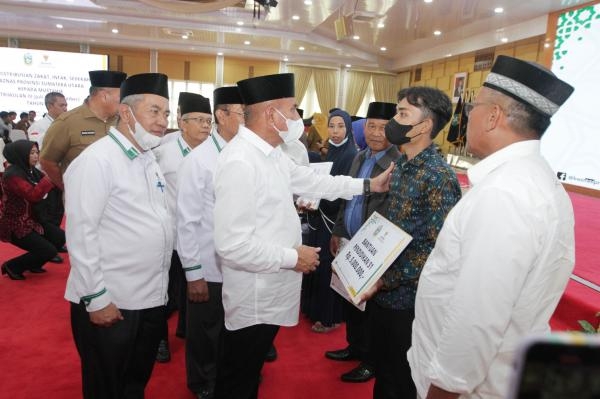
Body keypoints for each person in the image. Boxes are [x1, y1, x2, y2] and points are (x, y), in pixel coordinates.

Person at [212, 73, 394, 399]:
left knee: (248, 372)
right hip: (254, 293)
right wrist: (294, 257)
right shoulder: (240, 161)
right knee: (237, 376)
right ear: (272, 114)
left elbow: (316, 182)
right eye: (293, 110)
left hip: (269, 285)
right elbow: (232, 245)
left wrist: (369, 185)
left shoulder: (271, 154)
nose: (299, 118)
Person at [408, 56, 576, 399]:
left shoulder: (506, 194)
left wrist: (444, 390)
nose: (467, 115)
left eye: (473, 106)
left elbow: (477, 316)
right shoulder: (531, 178)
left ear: (494, 116)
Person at [64, 72, 173, 399]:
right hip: (112, 300)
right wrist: (96, 298)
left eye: (166, 113)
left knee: (134, 381)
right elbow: (81, 235)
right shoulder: (96, 160)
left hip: (150, 298)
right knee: (106, 386)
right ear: (126, 113)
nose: (162, 121)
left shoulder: (147, 157)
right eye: (154, 111)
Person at [360, 86, 462, 399]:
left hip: (409, 303)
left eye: (403, 114)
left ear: (425, 126)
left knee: (399, 381)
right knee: (383, 373)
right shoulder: (402, 166)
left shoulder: (439, 177)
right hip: (382, 294)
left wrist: (384, 280)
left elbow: (435, 250)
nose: (394, 120)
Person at [177, 86, 245, 399]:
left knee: (235, 329)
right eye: (241, 113)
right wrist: (194, 273)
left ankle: (229, 376)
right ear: (222, 115)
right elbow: (187, 222)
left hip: (241, 263)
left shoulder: (244, 153)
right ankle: (202, 383)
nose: (246, 119)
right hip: (210, 266)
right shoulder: (199, 160)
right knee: (205, 331)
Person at [324, 101, 400, 383]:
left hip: (372, 248)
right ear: (363, 127)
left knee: (370, 308)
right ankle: (354, 347)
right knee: (349, 299)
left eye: (383, 127)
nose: (376, 133)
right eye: (371, 126)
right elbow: (348, 198)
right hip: (349, 239)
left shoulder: (395, 163)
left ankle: (370, 361)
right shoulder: (359, 157)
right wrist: (338, 230)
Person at [153, 92, 213, 363]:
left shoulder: (214, 153)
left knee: (196, 289)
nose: (205, 126)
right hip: (169, 235)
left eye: (208, 121)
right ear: (181, 121)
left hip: (200, 237)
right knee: (164, 291)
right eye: (198, 120)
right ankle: (159, 341)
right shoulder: (162, 153)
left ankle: (188, 331)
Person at [302, 109, 357, 333]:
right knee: (317, 263)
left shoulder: (350, 154)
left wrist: (319, 198)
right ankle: (313, 309)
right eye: (332, 126)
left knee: (328, 266)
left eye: (340, 127)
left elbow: (344, 191)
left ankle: (329, 317)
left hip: (333, 220)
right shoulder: (331, 152)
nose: (335, 131)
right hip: (320, 215)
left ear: (348, 129)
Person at [40, 70, 127, 190]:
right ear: (104, 96)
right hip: (82, 201)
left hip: (117, 199)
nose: (123, 103)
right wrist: (68, 187)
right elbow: (47, 161)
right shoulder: (67, 122)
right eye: (120, 98)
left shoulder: (123, 121)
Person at [0, 141, 65, 280]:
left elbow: (51, 183)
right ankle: (12, 266)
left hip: (33, 219)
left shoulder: (30, 169)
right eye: (31, 153)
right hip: (16, 224)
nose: (36, 156)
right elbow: (33, 195)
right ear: (21, 154)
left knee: (60, 237)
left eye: (37, 152)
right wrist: (50, 178)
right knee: (48, 251)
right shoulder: (12, 175)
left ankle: (34, 262)